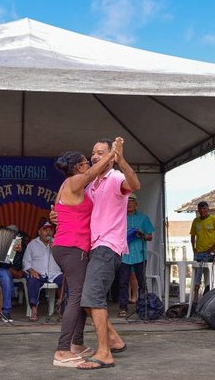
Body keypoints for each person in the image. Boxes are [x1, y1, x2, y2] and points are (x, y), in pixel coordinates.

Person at [51, 141, 120, 367]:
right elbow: (92, 174)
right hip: (72, 248)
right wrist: (112, 154)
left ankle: (77, 344)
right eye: (86, 160)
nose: (90, 161)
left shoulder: (67, 186)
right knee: (77, 297)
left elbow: (57, 212)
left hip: (67, 246)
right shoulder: (75, 181)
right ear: (80, 165)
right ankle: (62, 350)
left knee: (78, 297)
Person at [77, 137, 140, 370]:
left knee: (93, 297)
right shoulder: (91, 184)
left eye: (100, 152)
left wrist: (121, 160)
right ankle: (113, 340)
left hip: (108, 245)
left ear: (111, 157)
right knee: (86, 301)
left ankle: (104, 353)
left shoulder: (115, 178)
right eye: (93, 152)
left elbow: (134, 185)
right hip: (94, 246)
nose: (94, 156)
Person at [117, 193, 154, 317]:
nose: (128, 204)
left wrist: (142, 234)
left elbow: (150, 236)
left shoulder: (143, 218)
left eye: (131, 202)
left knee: (142, 282)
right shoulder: (119, 217)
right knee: (122, 282)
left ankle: (143, 306)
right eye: (126, 202)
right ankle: (123, 307)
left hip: (139, 254)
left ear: (136, 204)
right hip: (124, 254)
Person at [22, 219, 62, 322]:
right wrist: (31, 271)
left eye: (50, 230)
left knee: (66, 281)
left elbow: (63, 260)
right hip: (38, 274)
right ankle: (34, 310)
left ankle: (62, 310)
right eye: (45, 230)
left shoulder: (57, 243)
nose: (48, 232)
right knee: (32, 281)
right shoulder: (32, 244)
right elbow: (26, 261)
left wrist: (55, 250)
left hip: (55, 274)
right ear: (39, 232)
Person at [189, 200, 215, 304]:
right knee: (197, 276)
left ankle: (209, 298)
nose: (202, 210)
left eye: (204, 208)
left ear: (208, 209)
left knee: (210, 276)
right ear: (198, 210)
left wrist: (213, 247)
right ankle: (195, 299)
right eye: (200, 208)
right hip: (199, 252)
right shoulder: (196, 221)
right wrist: (193, 248)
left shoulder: (214, 220)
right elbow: (192, 235)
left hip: (210, 253)